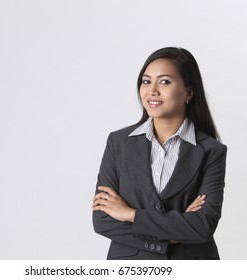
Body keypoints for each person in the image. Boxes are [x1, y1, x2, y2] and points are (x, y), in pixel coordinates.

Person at [92, 47, 227, 260]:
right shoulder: (118, 143)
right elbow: (102, 219)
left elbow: (202, 226)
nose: (152, 90)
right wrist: (175, 231)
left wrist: (130, 214)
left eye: (164, 82)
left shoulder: (211, 150)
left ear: (188, 92)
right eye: (146, 81)